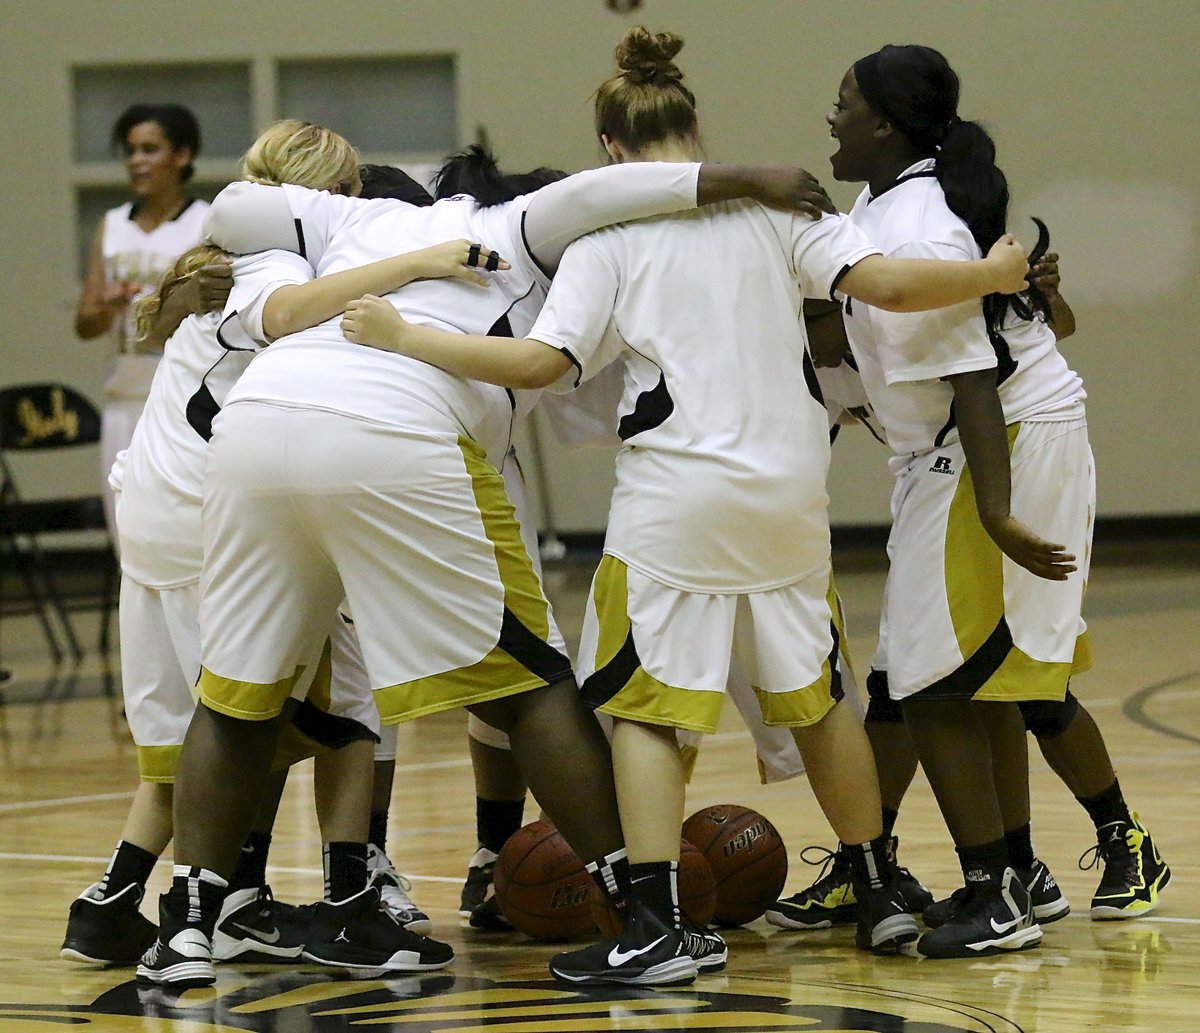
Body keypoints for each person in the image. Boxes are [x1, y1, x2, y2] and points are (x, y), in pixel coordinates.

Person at [340, 27, 1031, 986]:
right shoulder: (782, 209)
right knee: (821, 698)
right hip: (789, 491)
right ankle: (878, 889)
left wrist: (407, 336)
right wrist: (993, 277)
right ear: (697, 127)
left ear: (613, 154)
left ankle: (660, 924)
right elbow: (889, 285)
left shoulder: (610, 236)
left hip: (677, 501)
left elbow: (546, 363)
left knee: (646, 713)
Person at [138, 127, 840, 991]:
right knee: (529, 680)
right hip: (394, 430)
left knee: (236, 693)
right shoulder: (516, 225)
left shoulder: (345, 221)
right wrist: (748, 173)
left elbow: (234, 204)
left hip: (256, 435)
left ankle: (186, 929)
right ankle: (650, 920)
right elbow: (603, 195)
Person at [65, 124, 492, 976]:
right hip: (205, 511)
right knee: (331, 704)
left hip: (156, 505)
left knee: (206, 725)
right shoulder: (276, 267)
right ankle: (338, 904)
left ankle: (120, 901)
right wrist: (419, 262)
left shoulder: (228, 254)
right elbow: (290, 314)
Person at [806, 43, 1168, 959]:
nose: (831, 117)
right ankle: (1011, 869)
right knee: (960, 675)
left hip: (994, 443)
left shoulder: (917, 224)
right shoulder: (882, 200)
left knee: (941, 678)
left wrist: (999, 513)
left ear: (886, 123)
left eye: (844, 102)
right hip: (964, 445)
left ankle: (994, 890)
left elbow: (970, 375)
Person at [770, 245, 1169, 932]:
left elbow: (1051, 327)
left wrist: (1041, 291)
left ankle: (1123, 837)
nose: (803, 324)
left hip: (1014, 467)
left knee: (1025, 680)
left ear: (836, 302)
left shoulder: (902, 300)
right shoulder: (818, 363)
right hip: (933, 489)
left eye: (808, 311)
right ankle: (875, 861)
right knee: (903, 678)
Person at [75, 104, 211, 535]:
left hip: (183, 396)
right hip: (124, 399)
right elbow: (85, 324)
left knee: (187, 533)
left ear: (183, 155)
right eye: (130, 151)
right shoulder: (112, 225)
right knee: (126, 536)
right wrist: (107, 305)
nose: (136, 161)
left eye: (149, 149)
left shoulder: (205, 222)